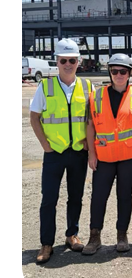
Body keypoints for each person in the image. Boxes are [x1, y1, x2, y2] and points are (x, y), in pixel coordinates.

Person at [30, 38, 93, 264]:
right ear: (56, 61)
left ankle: (71, 235)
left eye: (72, 60)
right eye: (64, 60)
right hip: (54, 153)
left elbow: (92, 119)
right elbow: (34, 117)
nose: (68, 64)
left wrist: (88, 142)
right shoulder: (45, 87)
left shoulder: (87, 87)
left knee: (76, 197)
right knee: (49, 198)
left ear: (79, 62)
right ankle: (46, 243)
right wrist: (46, 146)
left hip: (78, 152)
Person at [82, 54, 132, 255]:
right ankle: (94, 237)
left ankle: (122, 235)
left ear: (130, 73)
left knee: (124, 195)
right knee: (99, 196)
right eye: (115, 71)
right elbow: (90, 126)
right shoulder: (96, 96)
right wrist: (91, 154)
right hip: (103, 157)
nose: (119, 75)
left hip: (129, 156)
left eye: (123, 71)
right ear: (110, 72)